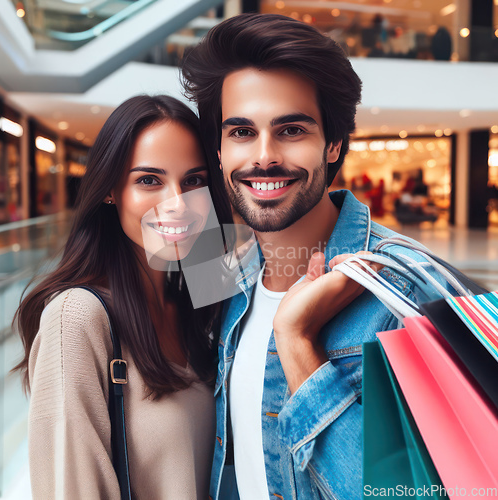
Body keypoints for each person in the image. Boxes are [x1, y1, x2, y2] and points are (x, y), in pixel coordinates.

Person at [181, 13, 440, 500]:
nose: (264, 156)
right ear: (217, 151)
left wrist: (297, 342)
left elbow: (407, 493)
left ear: (334, 144)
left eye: (292, 130)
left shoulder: (403, 289)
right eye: (240, 132)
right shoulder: (224, 278)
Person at [13, 95, 233, 499]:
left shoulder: (200, 299)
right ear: (111, 190)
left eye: (194, 180)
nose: (177, 204)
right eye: (149, 180)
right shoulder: (76, 317)